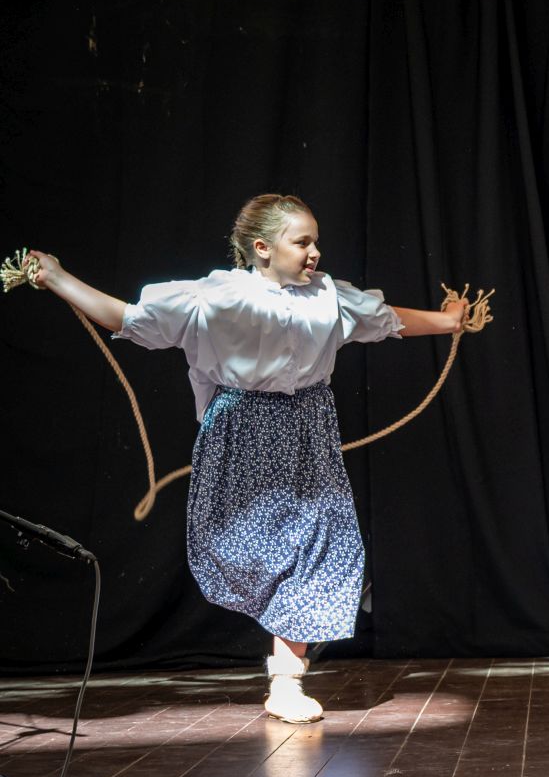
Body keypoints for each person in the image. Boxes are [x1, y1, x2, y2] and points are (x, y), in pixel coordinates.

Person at [26, 193, 466, 723]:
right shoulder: (216, 297)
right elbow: (128, 317)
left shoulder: (328, 295)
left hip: (308, 430)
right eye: (301, 242)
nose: (314, 252)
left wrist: (448, 321)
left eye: (315, 241)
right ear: (262, 248)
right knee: (249, 548)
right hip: (241, 431)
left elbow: (387, 319)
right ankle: (301, 622)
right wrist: (57, 278)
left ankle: (287, 680)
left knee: (323, 546)